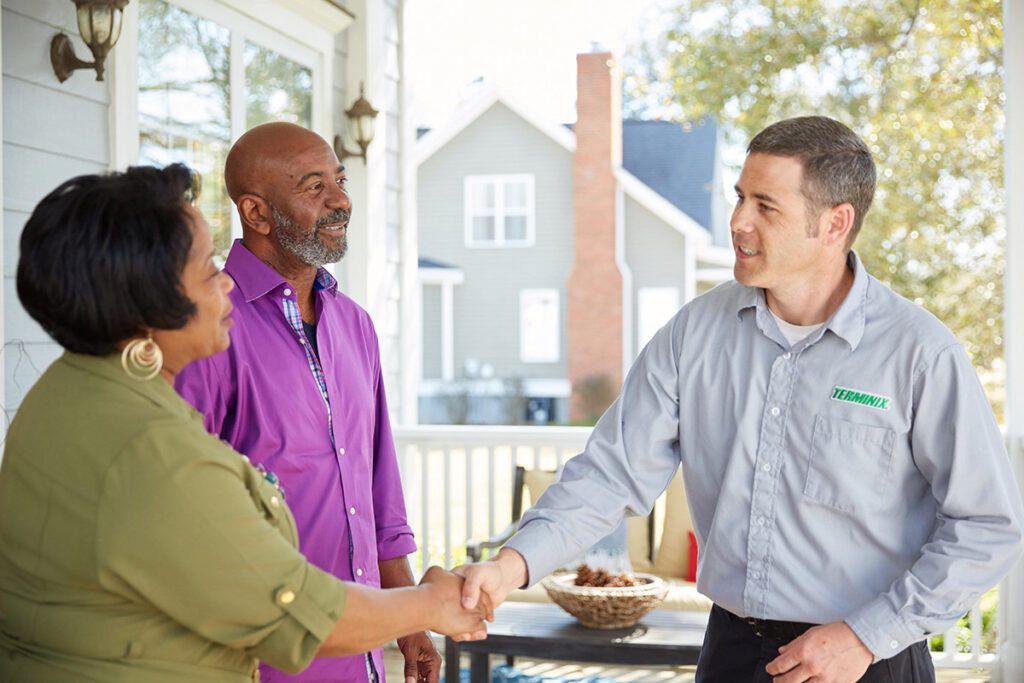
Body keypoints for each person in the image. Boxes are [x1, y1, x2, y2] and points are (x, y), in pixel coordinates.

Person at [454, 116, 1024, 683]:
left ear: (834, 224)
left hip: (866, 660)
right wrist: (511, 564)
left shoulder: (919, 353)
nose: (737, 222)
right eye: (739, 198)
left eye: (765, 206)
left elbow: (986, 524)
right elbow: (610, 474)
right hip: (732, 651)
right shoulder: (693, 334)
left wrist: (868, 635)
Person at [0, 164, 490, 683]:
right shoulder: (154, 450)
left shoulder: (65, 390)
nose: (228, 283)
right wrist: (430, 604)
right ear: (150, 303)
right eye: (209, 268)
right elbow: (301, 616)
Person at [174, 122, 431, 683]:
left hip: (363, 658)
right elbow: (185, 519)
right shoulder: (206, 329)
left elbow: (378, 490)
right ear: (257, 213)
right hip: (263, 663)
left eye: (339, 180)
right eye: (315, 187)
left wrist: (410, 618)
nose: (342, 200)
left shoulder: (355, 324)